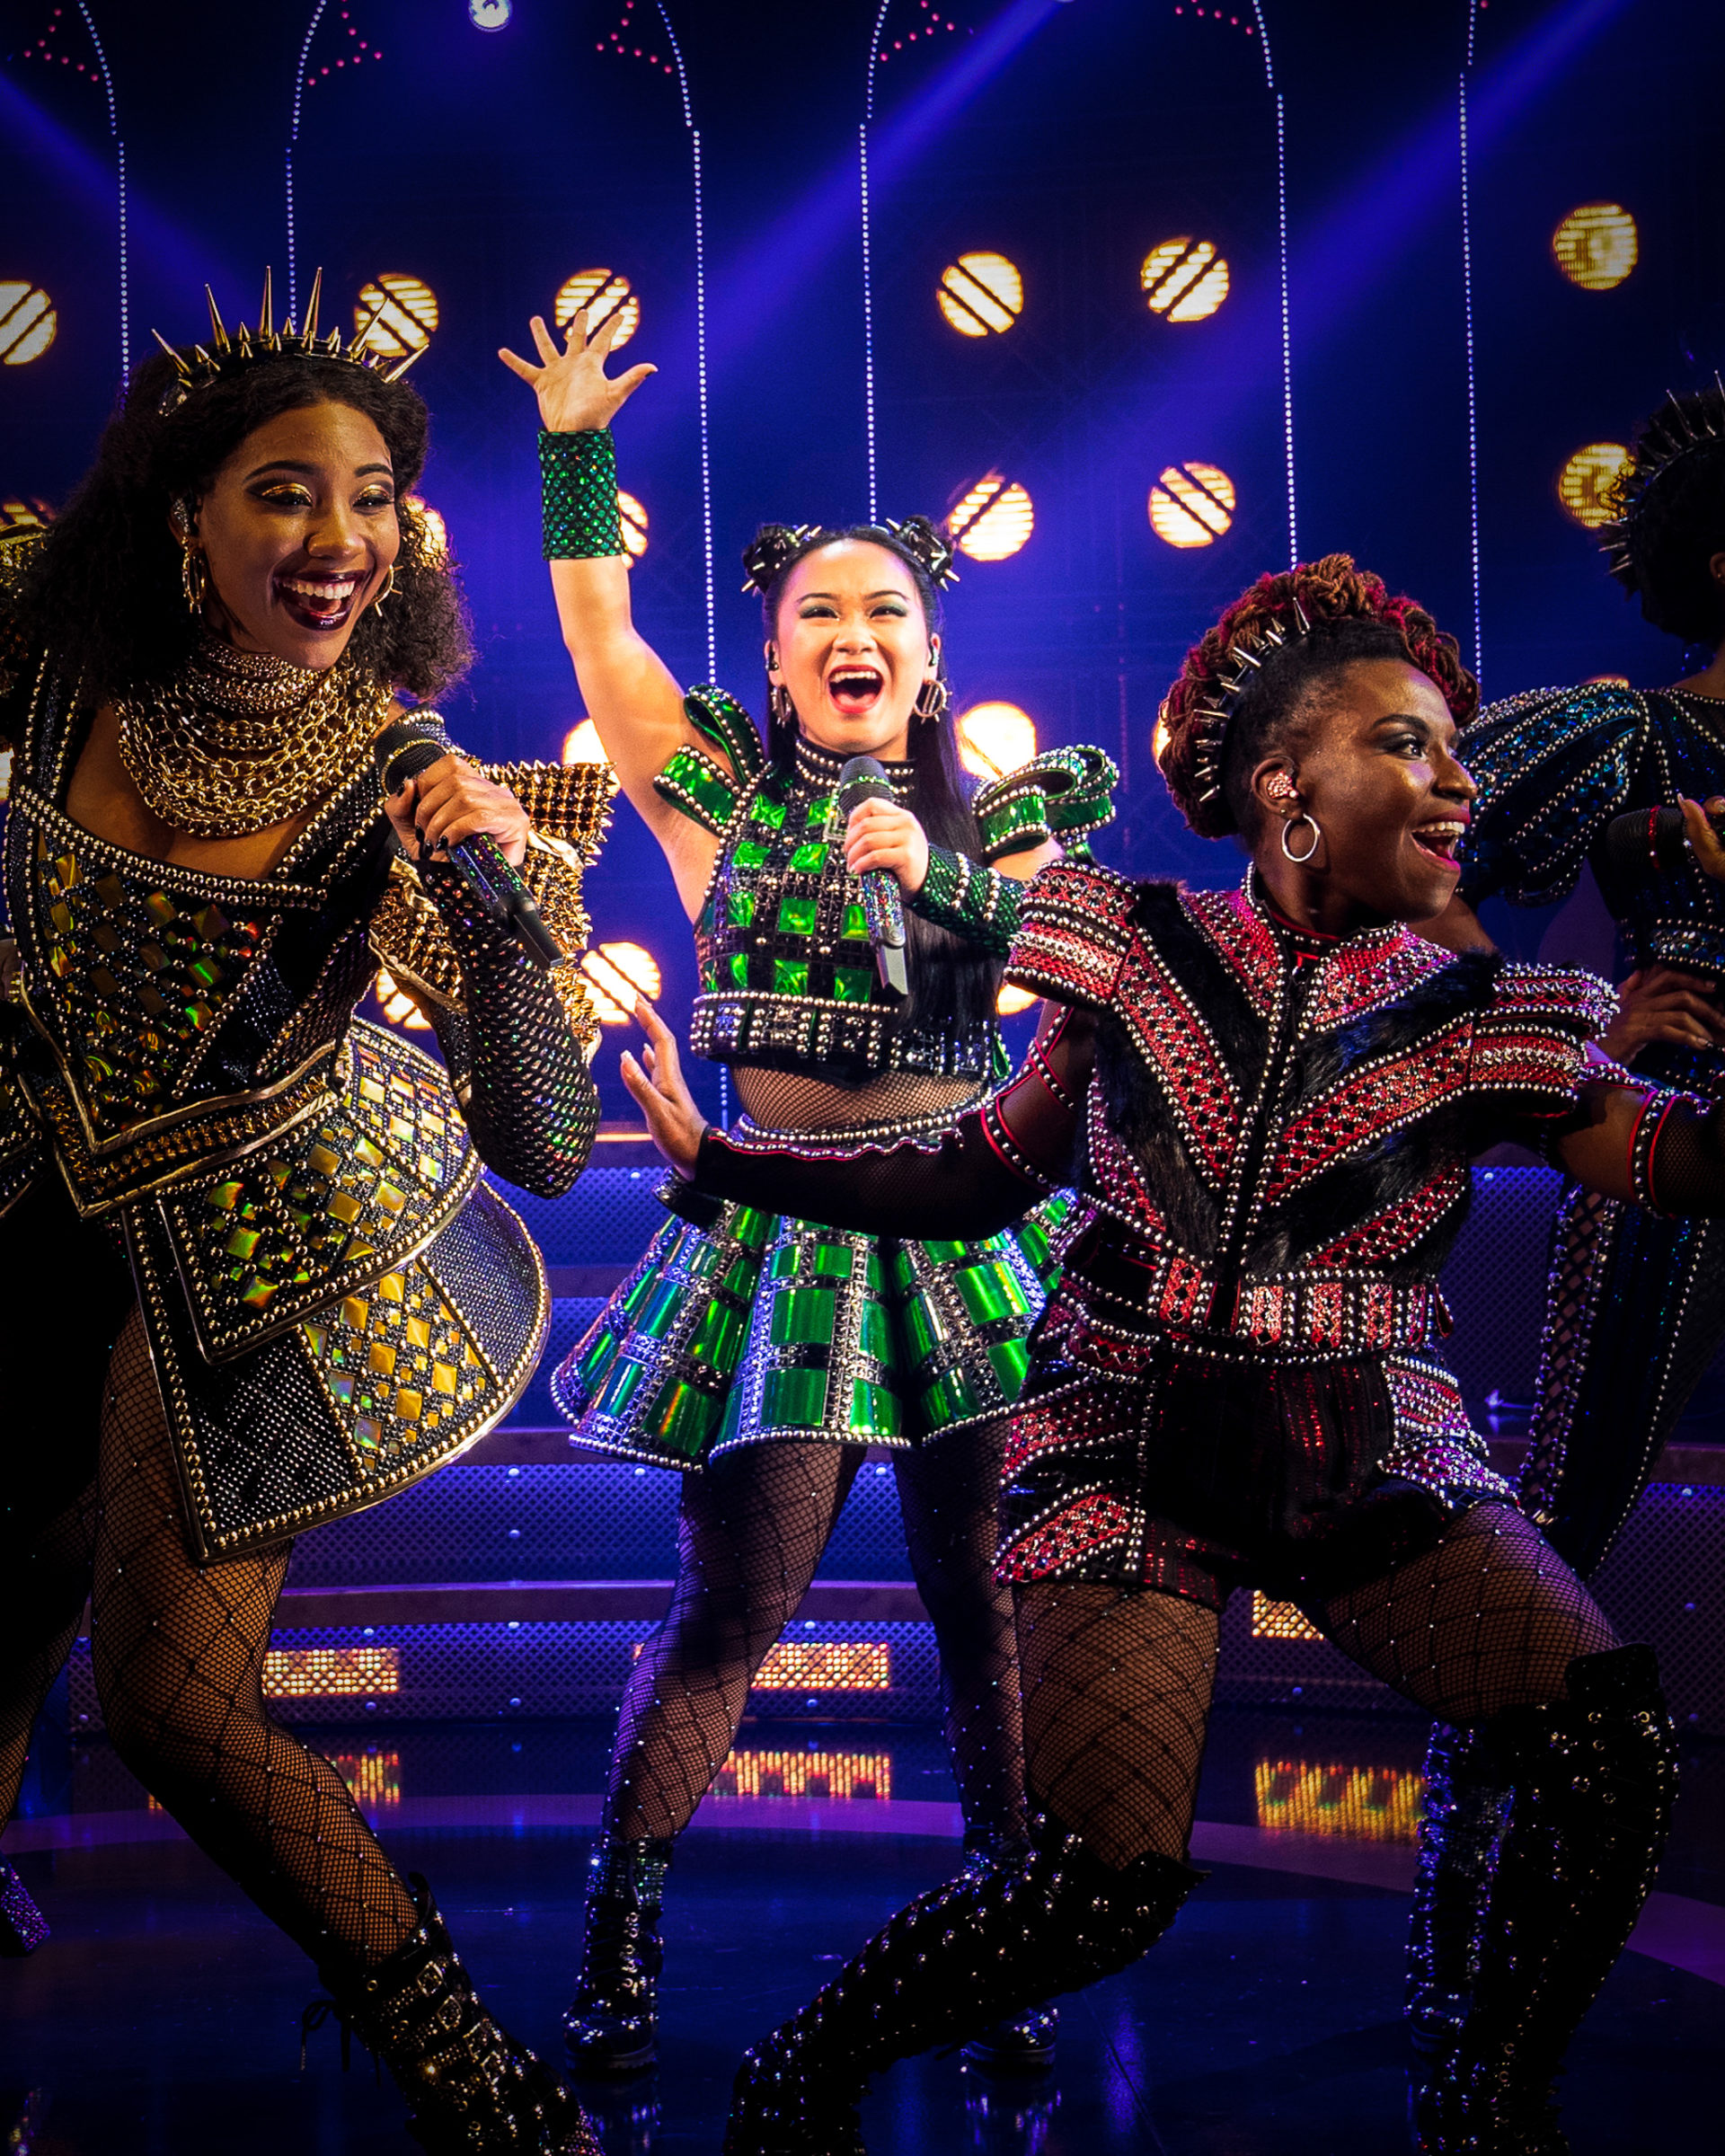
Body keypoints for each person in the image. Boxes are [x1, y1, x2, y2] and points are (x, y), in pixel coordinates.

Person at [620, 553, 1725, 2156]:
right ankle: (804, 2072)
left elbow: (1684, 1164)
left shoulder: (1496, 1018)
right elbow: (981, 1172)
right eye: (1406, 745)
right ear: (1287, 789)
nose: (1457, 784)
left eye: (1453, 753)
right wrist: (729, 1162)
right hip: (1127, 1450)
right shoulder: (1132, 948)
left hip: (1373, 1451)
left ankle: (1491, 2107)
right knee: (1100, 1894)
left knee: (1606, 1742)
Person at [0, 278, 614, 2155]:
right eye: (285, 492)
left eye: (371, 500)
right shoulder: (49, 661)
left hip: (261, 1234)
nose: (339, 538)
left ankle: (461, 2060)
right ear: (182, 518)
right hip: (35, 1189)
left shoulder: (394, 778)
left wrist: (498, 910)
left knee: (176, 1705)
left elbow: (547, 1140)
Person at [499, 308, 1117, 2074]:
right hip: (783, 1233)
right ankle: (621, 1941)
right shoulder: (714, 800)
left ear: (927, 660)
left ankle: (1007, 1943)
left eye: (887, 613)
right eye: (820, 614)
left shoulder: (1009, 820)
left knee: (986, 1606)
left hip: (972, 1228)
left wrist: (948, 880)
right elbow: (602, 633)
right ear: (776, 665)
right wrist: (575, 452)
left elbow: (1085, 977)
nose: (856, 634)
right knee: (737, 1608)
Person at [1406, 385, 1725, 2060]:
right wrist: (1578, 1023)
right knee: (1565, 1519)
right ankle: (1456, 1914)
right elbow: (1421, 866)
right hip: (1663, 1150)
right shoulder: (1632, 736)